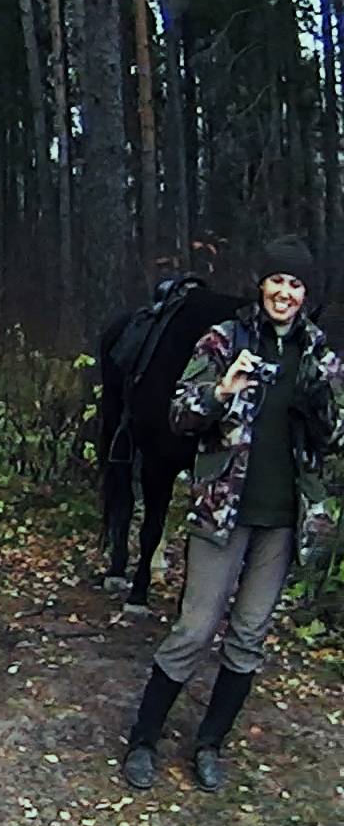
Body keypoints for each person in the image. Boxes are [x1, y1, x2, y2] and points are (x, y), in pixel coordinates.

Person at [121, 235, 342, 791]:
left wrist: (320, 407)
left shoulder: (318, 354)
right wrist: (220, 391)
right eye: (277, 280)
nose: (284, 293)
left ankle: (209, 744)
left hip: (282, 520)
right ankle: (143, 740)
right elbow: (178, 415)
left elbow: (334, 436)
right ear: (261, 284)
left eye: (295, 284)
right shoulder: (224, 339)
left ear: (306, 293)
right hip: (222, 510)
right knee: (194, 630)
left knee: (248, 636)